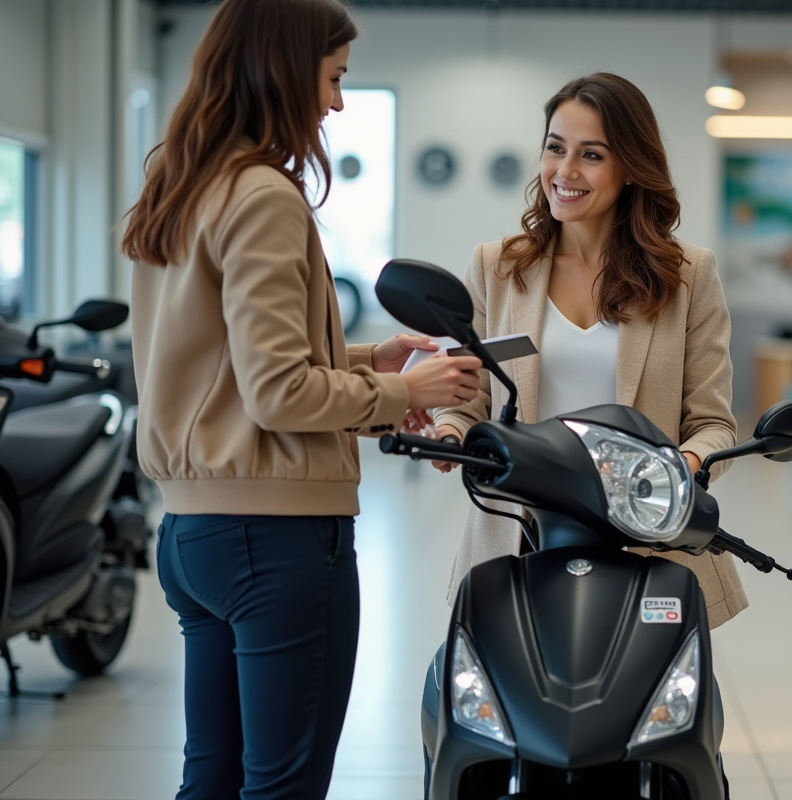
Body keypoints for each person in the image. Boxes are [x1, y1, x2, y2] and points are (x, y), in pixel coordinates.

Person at [120, 1, 480, 798]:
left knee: (211, 777)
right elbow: (278, 393)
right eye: (334, 78)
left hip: (193, 533)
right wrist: (406, 390)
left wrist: (369, 360)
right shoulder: (264, 196)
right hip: (274, 538)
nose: (337, 104)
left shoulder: (180, 183)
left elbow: (223, 367)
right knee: (283, 787)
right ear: (283, 71)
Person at [431, 72, 747, 628]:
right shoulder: (496, 267)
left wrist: (679, 470)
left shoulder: (688, 275)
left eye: (592, 155)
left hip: (647, 540)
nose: (566, 171)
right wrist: (449, 432)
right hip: (518, 536)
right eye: (555, 148)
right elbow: (466, 397)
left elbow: (713, 424)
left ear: (631, 168)